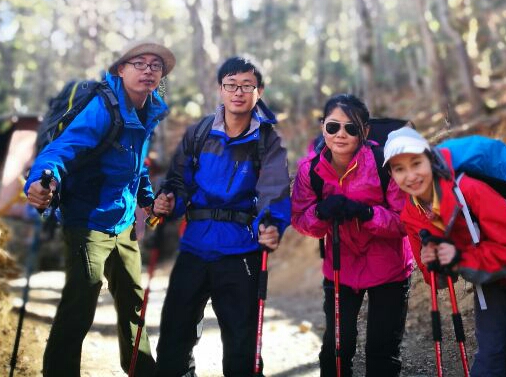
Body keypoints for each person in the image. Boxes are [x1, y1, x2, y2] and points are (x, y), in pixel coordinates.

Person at [24, 40, 175, 376]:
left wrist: (148, 200)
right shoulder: (102, 108)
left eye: (156, 66)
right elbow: (60, 151)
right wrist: (38, 182)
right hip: (87, 220)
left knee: (134, 302)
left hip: (121, 222)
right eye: (139, 63)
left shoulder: (147, 110)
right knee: (81, 302)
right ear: (120, 69)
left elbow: (136, 166)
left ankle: (143, 371)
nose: (148, 70)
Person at [383, 127, 506, 377]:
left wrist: (457, 258)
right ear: (391, 175)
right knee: (489, 357)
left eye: (416, 163)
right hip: (487, 280)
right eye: (399, 169)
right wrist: (432, 263)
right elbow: (439, 281)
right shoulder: (411, 215)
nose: (411, 175)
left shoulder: (468, 189)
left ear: (431, 160)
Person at [152, 56, 291, 377]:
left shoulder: (268, 141)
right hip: (195, 247)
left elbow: (274, 191)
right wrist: (167, 202)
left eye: (247, 85)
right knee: (174, 334)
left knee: (242, 344)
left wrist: (270, 224)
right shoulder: (199, 133)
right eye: (231, 85)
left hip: (241, 251)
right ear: (220, 89)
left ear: (260, 91)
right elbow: (177, 182)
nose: (238, 92)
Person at [291, 94, 415, 377]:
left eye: (352, 128)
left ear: (365, 131)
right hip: (340, 268)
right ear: (323, 127)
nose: (341, 135)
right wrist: (321, 213)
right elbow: (300, 220)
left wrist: (366, 213)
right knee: (337, 347)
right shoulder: (310, 170)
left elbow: (403, 221)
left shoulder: (386, 163)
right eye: (333, 127)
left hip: (389, 268)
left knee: (382, 351)